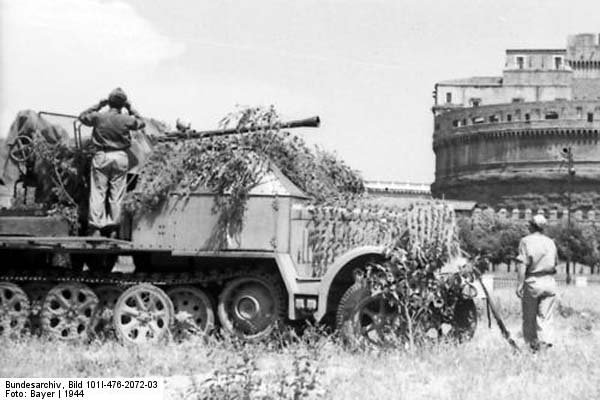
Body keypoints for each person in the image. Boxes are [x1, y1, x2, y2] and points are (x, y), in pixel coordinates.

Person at [79, 88, 145, 237]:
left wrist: (98, 105)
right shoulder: (126, 119)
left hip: (102, 155)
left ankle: (96, 228)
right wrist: (130, 108)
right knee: (117, 194)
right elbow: (141, 123)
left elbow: (82, 117)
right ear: (122, 104)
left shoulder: (98, 117)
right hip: (121, 157)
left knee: (98, 192)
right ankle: (114, 228)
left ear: (109, 102)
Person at [515, 214, 558, 352]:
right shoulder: (551, 242)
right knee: (546, 317)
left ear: (532, 226)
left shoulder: (525, 241)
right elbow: (555, 262)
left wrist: (520, 284)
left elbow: (522, 264)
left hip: (533, 281)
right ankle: (545, 346)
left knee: (529, 317)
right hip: (549, 282)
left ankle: (532, 347)